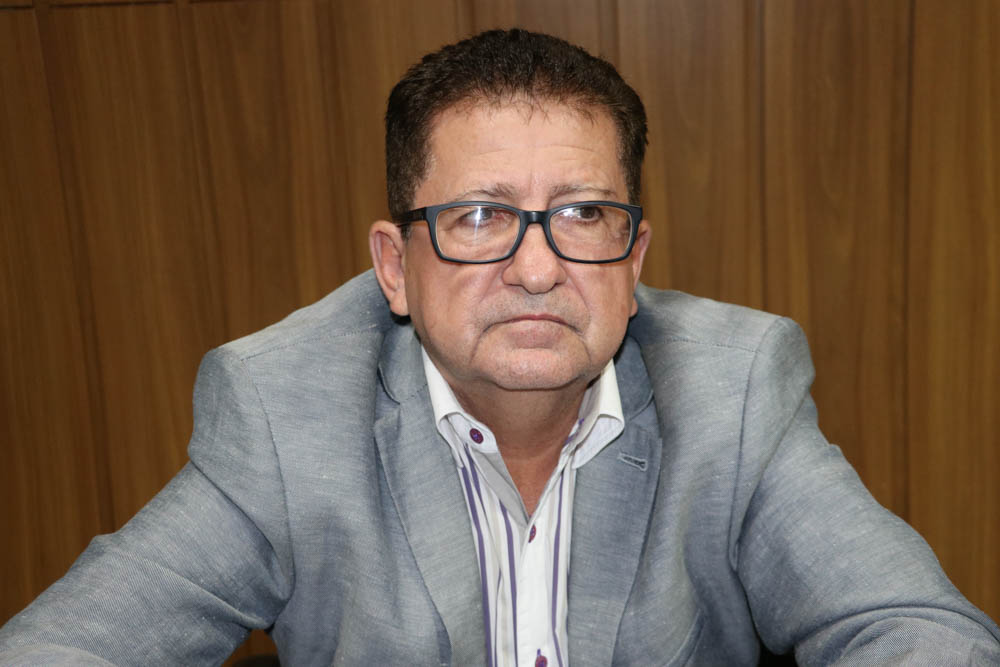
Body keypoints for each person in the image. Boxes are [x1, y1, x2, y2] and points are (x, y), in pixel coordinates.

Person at [1, 28, 998, 666]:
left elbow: (922, 633)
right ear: (394, 266)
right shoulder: (284, 407)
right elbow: (70, 648)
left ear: (633, 257)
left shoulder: (734, 387)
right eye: (480, 216)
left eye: (584, 213)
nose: (536, 268)